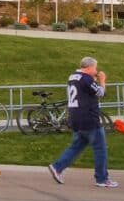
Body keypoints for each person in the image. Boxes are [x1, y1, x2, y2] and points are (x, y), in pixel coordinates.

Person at [48, 56, 117, 188]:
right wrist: (102, 80)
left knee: (76, 146)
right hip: (89, 118)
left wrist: (94, 79)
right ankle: (102, 178)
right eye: (95, 68)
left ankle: (57, 167)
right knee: (100, 148)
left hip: (75, 117)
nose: (96, 70)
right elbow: (100, 93)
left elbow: (85, 90)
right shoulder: (86, 78)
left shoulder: (73, 77)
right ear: (89, 67)